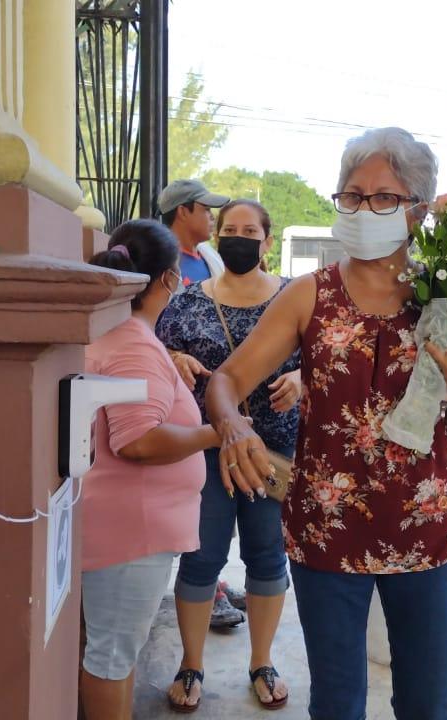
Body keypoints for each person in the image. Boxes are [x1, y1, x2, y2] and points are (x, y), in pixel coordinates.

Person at [205, 127, 447, 720]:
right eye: (352, 195)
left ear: (416, 210)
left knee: (427, 702)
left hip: (423, 526)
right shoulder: (309, 295)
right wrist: (235, 427)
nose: (364, 209)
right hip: (326, 529)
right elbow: (226, 381)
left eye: (383, 198)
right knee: (337, 702)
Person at [156, 199, 304, 712]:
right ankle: (191, 663)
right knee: (200, 558)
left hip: (274, 451)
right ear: (217, 237)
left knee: (267, 556)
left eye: (249, 230)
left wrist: (302, 378)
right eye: (229, 229)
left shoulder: (293, 298)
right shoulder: (188, 300)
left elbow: (328, 358)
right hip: (206, 451)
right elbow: (153, 351)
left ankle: (262, 660)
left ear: (267, 240)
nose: (238, 237)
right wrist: (174, 358)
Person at [78, 219, 223, 720]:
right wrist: (215, 433)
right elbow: (137, 440)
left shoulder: (127, 336)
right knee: (112, 657)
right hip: (130, 533)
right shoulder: (135, 344)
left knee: (115, 653)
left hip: (129, 528)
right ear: (167, 279)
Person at [158, 178, 248, 629]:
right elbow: (145, 324)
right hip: (185, 405)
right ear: (183, 212)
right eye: (206, 210)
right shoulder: (161, 260)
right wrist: (172, 357)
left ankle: (212, 584)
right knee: (202, 507)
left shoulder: (207, 260)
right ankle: (204, 587)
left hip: (224, 400)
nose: (212, 219)